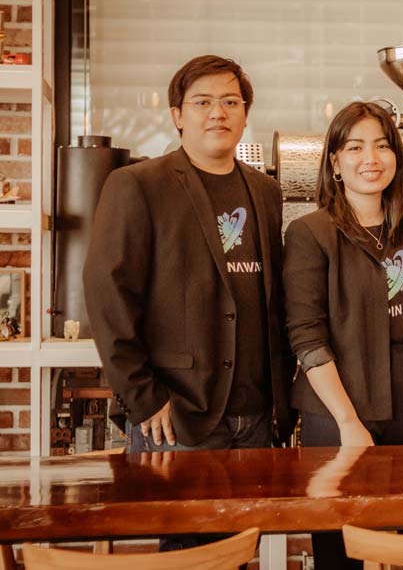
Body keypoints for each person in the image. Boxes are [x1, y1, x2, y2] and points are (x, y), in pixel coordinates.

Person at [84, 54, 295, 455]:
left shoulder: (266, 191)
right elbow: (108, 297)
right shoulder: (137, 185)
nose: (218, 113)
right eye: (203, 102)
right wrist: (144, 397)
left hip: (257, 417)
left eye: (231, 102)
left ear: (245, 114)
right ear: (178, 115)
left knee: (254, 522)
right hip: (176, 415)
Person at [283, 100, 403, 570]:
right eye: (354, 147)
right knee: (342, 551)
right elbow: (306, 336)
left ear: (398, 157)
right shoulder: (310, 234)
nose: (370, 158)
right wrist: (348, 424)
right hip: (336, 408)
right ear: (334, 162)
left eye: (381, 146)